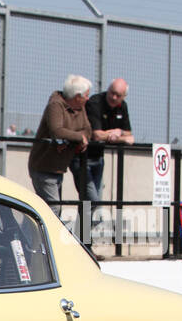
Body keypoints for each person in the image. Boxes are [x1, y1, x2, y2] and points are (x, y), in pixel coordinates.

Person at [28, 75, 92, 217]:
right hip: (44, 166)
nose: (88, 99)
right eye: (86, 95)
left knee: (49, 209)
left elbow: (88, 130)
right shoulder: (55, 105)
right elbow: (57, 130)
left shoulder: (80, 108)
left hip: (58, 168)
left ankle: (27, 236)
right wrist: (79, 137)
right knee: (53, 210)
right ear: (77, 96)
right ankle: (30, 237)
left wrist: (72, 138)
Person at [71, 78, 134, 211]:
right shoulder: (95, 102)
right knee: (93, 201)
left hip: (98, 159)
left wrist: (119, 131)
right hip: (82, 157)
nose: (113, 97)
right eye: (112, 92)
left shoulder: (123, 106)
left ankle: (79, 231)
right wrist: (120, 137)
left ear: (124, 96)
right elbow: (97, 135)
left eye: (118, 95)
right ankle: (79, 230)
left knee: (91, 205)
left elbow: (130, 136)